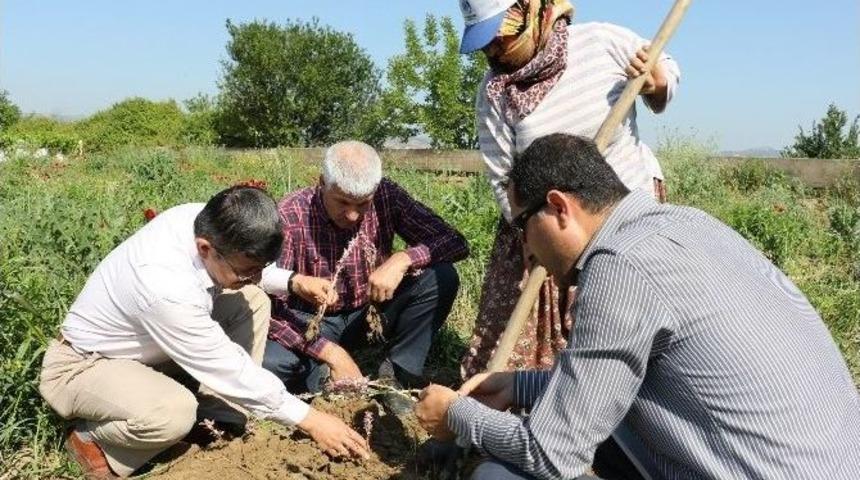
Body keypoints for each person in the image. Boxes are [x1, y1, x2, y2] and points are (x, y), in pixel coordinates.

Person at [415, 133, 860, 479]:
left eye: (520, 226)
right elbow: (612, 385)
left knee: (499, 475)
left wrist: (458, 415)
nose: (525, 249)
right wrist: (521, 387)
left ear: (558, 207)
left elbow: (550, 454)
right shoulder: (687, 225)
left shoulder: (620, 267)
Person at [39, 186, 370, 479]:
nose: (254, 275)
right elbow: (227, 367)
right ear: (204, 248)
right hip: (85, 365)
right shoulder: (164, 286)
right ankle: (92, 442)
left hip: (149, 347)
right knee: (173, 412)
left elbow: (246, 267)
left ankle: (220, 417)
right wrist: (312, 420)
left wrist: (291, 281)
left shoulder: (206, 218)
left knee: (251, 298)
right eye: (246, 270)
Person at [456, 0, 681, 377]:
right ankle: (502, 411)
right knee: (511, 337)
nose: (492, 52)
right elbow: (501, 176)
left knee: (613, 323)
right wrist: (532, 237)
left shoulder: (599, 42)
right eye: (484, 44)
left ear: (532, 15)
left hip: (620, 209)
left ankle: (614, 407)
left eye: (500, 39)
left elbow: (665, 71)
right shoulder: (494, 93)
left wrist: (655, 81)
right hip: (542, 218)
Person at [262, 141, 468, 395]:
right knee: (271, 364)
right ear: (322, 183)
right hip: (312, 322)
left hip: (372, 313)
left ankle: (398, 373)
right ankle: (326, 379)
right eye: (342, 202)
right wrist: (329, 352)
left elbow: (454, 241)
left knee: (441, 277)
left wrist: (402, 259)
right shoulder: (292, 214)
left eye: (362, 204)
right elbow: (270, 306)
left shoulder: (386, 196)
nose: (352, 215)